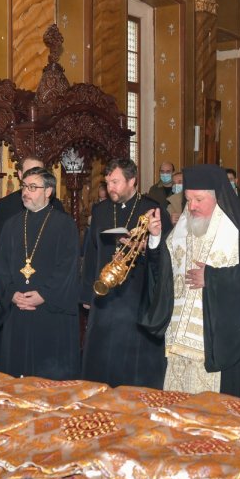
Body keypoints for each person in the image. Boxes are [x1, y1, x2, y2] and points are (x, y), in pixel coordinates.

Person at [142, 164, 240, 397]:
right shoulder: (181, 229)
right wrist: (156, 239)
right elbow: (163, 276)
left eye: (199, 200)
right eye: (188, 200)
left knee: (212, 411)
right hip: (178, 339)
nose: (192, 206)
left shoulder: (237, 233)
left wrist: (211, 277)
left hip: (216, 339)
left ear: (216, 197)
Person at [81, 158, 170, 388]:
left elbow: (166, 256)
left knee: (132, 360)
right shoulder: (100, 210)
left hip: (136, 296)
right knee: (100, 358)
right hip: (104, 297)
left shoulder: (151, 210)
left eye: (116, 182)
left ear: (132, 181)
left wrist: (146, 245)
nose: (111, 187)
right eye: (108, 181)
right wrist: (86, 295)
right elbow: (91, 252)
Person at [0, 167, 80, 379]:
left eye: (33, 187)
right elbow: (0, 266)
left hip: (50, 314)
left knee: (47, 381)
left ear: (48, 191)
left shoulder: (65, 225)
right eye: (24, 187)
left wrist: (43, 295)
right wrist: (11, 293)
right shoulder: (11, 225)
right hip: (17, 311)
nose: (25, 192)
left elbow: (68, 269)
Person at [0, 156, 64, 370]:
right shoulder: (7, 209)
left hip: (44, 297)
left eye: (35, 182)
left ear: (48, 189)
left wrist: (44, 294)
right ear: (19, 176)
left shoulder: (59, 216)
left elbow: (64, 263)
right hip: (14, 292)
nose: (28, 187)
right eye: (26, 182)